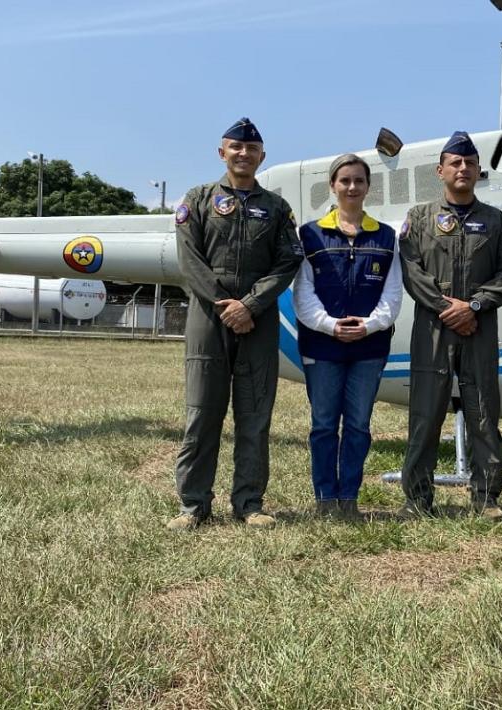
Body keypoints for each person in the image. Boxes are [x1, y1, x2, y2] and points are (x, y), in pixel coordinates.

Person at [166, 117, 304, 530]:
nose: (244, 154)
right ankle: (193, 505)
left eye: (252, 149)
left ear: (262, 156)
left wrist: (251, 304)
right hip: (208, 319)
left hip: (258, 321)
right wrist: (226, 305)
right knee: (202, 412)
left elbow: (288, 260)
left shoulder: (277, 209)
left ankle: (250, 503)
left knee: (255, 414)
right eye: (235, 147)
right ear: (222, 152)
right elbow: (189, 259)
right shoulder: (199, 199)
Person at [397, 130, 502, 519]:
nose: (463, 168)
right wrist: (445, 307)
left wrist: (475, 306)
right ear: (440, 170)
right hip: (432, 328)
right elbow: (411, 269)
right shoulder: (419, 217)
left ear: (479, 170)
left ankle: (487, 497)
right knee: (425, 412)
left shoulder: (495, 220)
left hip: (480, 326)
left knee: (483, 409)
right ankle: (417, 499)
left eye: (469, 162)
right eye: (455, 162)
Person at [293, 153, 402, 521]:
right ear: (333, 186)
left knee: (358, 425)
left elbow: (393, 293)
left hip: (369, 347)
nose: (352, 187)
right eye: (345, 181)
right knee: (324, 424)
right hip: (322, 346)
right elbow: (302, 294)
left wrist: (368, 326)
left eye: (358, 180)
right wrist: (330, 325)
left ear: (368, 187)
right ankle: (325, 499)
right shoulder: (310, 234)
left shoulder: (386, 237)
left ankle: (349, 498)